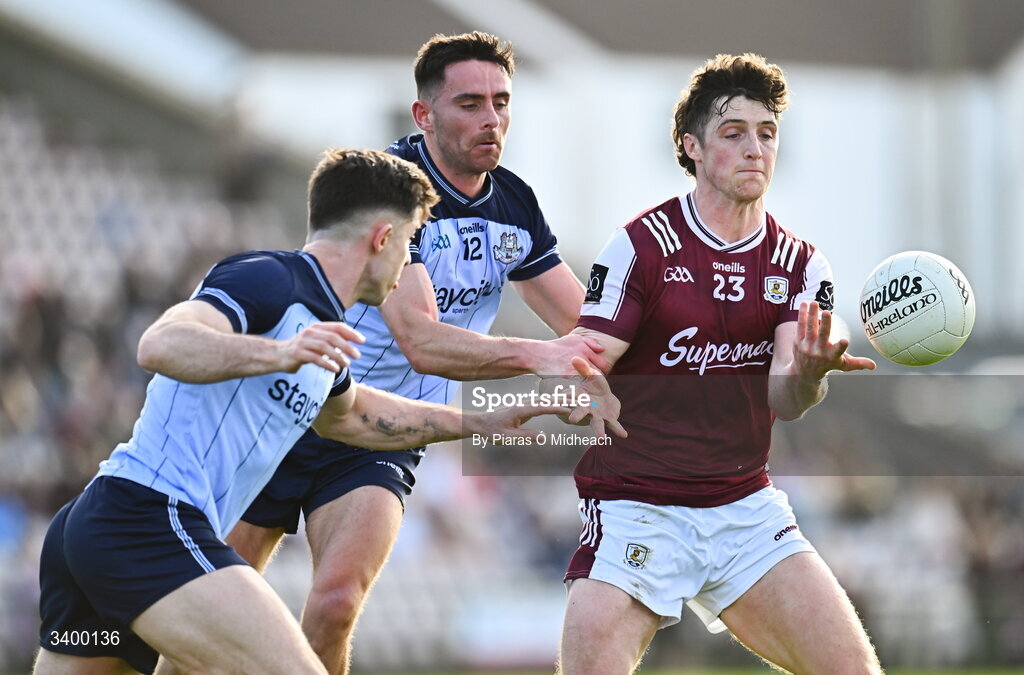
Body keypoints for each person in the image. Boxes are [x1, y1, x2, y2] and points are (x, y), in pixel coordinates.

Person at [34, 148, 566, 675]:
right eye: (408, 244)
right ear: (382, 238)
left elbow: (353, 416)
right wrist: (278, 354)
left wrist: (480, 423)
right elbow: (160, 343)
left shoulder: (321, 330)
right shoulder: (269, 279)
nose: (407, 264)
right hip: (146, 519)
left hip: (99, 536)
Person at [222, 31, 612, 675]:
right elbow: (422, 340)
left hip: (387, 429)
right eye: (469, 103)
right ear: (423, 116)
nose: (491, 119)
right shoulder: (389, 194)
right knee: (218, 595)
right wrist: (542, 357)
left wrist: (709, 343)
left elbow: (587, 322)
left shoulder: (513, 202)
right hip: (294, 405)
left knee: (338, 604)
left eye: (501, 102)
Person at [557, 54, 883, 674]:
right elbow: (586, 357)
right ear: (693, 147)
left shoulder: (800, 263)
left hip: (745, 510)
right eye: (734, 134)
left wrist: (810, 372)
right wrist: (581, 391)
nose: (755, 149)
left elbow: (786, 401)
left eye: (767, 133)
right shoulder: (642, 245)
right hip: (638, 505)